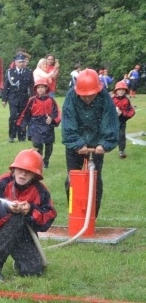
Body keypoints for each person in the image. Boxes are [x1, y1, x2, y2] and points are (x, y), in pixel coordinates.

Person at [0, 149, 57, 280]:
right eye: (20, 169)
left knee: (33, 270)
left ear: (35, 175)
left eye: (28, 171)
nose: (23, 174)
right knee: (16, 216)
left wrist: (30, 210)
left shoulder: (41, 191)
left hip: (22, 234)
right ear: (14, 169)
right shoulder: (1, 183)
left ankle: (19, 259)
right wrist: (7, 208)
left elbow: (47, 220)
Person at [61, 68, 118, 217]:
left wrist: (104, 143)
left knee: (95, 181)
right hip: (75, 147)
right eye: (84, 96)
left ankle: (92, 216)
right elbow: (68, 122)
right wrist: (77, 143)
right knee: (72, 180)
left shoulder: (105, 98)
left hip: (96, 144)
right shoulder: (71, 97)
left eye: (91, 95)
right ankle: (75, 214)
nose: (87, 99)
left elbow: (110, 121)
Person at [17, 79, 60, 168]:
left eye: (42, 87)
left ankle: (46, 160)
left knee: (49, 145)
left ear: (46, 88)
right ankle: (39, 160)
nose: (40, 89)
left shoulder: (51, 100)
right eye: (38, 87)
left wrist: (52, 119)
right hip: (35, 124)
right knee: (37, 143)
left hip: (47, 124)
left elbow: (56, 113)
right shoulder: (32, 100)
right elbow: (26, 113)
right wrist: (23, 124)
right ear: (36, 89)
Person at [2, 52, 34, 142]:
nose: (21, 63)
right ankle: (12, 136)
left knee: (22, 117)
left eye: (23, 61)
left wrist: (33, 97)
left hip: (24, 98)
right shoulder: (10, 72)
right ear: (15, 62)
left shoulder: (28, 72)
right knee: (13, 116)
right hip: (13, 98)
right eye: (19, 62)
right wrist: (4, 99)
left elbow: (31, 86)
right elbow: (6, 86)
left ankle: (22, 136)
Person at [111, 81, 136, 158]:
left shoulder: (126, 100)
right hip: (112, 121)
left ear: (125, 91)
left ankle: (121, 151)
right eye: (119, 89)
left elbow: (131, 111)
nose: (121, 91)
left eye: (123, 89)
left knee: (121, 135)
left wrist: (122, 113)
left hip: (121, 121)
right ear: (116, 91)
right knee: (108, 134)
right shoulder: (111, 99)